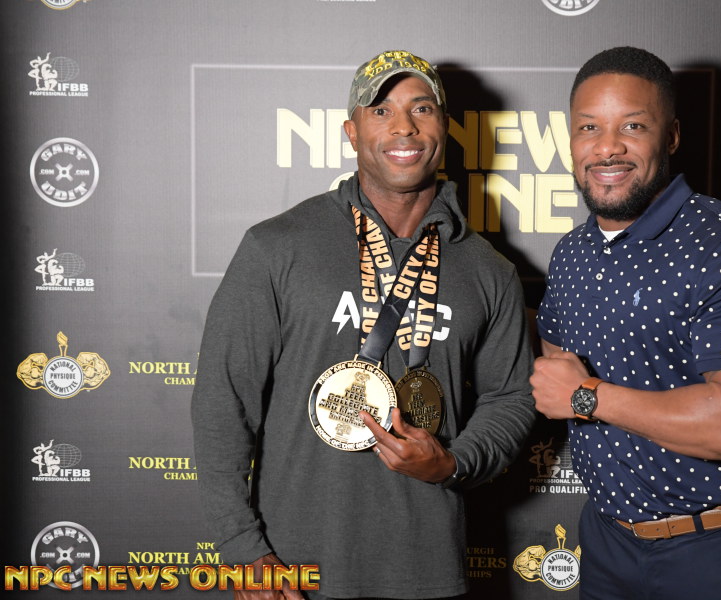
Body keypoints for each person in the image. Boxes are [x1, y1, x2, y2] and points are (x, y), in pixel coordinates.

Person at [192, 50, 535, 600]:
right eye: (381, 110)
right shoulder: (276, 247)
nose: (404, 126)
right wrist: (243, 549)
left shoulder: (488, 270)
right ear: (351, 132)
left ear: (444, 127)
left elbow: (511, 397)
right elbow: (223, 400)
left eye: (422, 108)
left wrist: (454, 463)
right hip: (294, 572)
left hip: (428, 572)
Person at [530, 47, 721, 599]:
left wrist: (586, 396)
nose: (607, 146)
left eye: (632, 126)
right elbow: (552, 371)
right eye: (588, 127)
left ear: (671, 136)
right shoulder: (572, 253)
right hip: (607, 544)